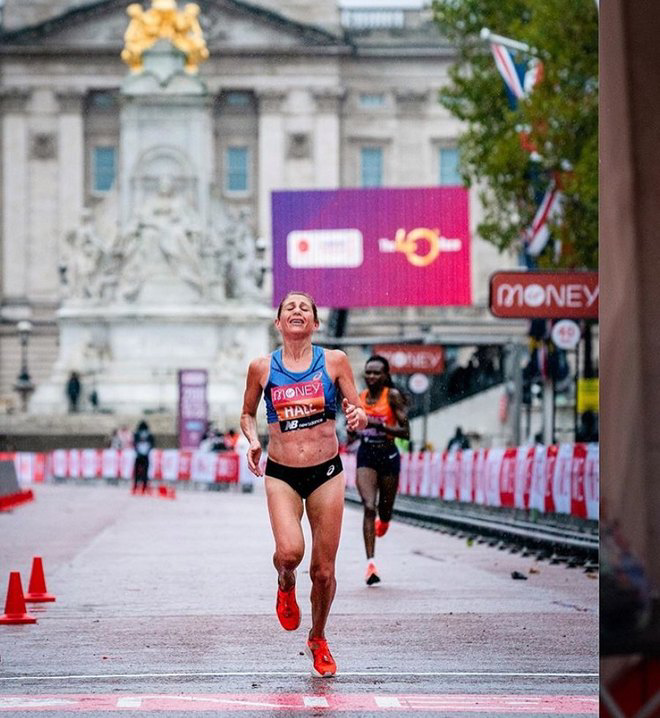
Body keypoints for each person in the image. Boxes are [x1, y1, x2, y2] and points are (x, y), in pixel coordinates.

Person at [241, 291, 367, 678]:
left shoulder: (334, 361)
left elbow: (357, 407)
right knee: (290, 553)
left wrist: (357, 415)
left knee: (324, 571)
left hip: (326, 472)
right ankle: (285, 581)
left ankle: (318, 638)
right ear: (278, 323)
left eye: (304, 309)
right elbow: (247, 413)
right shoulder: (262, 367)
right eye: (289, 308)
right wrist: (253, 440)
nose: (297, 312)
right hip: (282, 473)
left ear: (315, 322)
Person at [353, 355, 410, 586]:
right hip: (366, 454)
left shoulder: (392, 396)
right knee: (369, 507)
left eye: (377, 373)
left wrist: (379, 425)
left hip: (388, 455)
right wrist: (352, 428)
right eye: (368, 372)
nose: (372, 376)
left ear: (386, 376)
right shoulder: (360, 398)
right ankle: (371, 565)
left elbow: (405, 432)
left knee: (384, 510)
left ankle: (384, 521)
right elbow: (353, 432)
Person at [133, 420, 155, 494]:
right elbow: (152, 444)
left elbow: (134, 444)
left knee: (137, 472)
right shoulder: (149, 435)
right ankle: (144, 487)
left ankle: (135, 486)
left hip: (138, 456)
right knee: (145, 472)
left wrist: (138, 451)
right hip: (145, 456)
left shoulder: (137, 434)